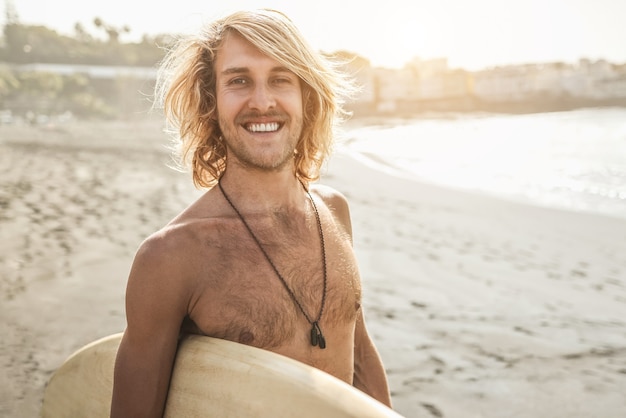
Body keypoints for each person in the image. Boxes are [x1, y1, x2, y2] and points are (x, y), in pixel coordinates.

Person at [111, 9, 391, 417]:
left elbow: (360, 355)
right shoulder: (170, 258)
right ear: (211, 102)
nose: (262, 102)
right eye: (239, 81)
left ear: (306, 98)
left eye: (280, 79)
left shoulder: (334, 212)